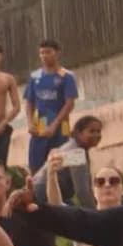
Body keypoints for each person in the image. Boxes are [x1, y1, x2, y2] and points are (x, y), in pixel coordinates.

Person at [24, 39, 79, 173]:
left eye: (48, 52)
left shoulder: (66, 76)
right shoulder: (35, 76)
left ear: (57, 53)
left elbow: (69, 103)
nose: (44, 56)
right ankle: (38, 190)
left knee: (63, 160)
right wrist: (30, 123)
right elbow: (29, 102)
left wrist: (55, 125)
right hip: (41, 123)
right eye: (42, 53)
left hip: (61, 123)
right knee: (37, 161)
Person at [33, 115, 103, 209]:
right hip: (43, 197)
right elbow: (82, 191)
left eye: (98, 131)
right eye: (92, 131)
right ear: (78, 133)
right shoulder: (75, 153)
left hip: (50, 195)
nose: (96, 135)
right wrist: (96, 216)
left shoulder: (73, 147)